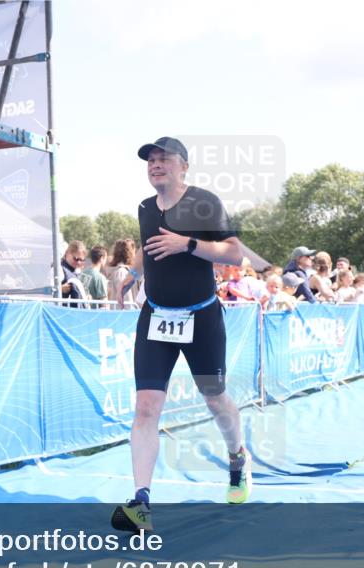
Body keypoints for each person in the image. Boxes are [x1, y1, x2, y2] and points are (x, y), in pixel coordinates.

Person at [111, 136, 248, 533]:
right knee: (146, 407)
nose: (155, 165)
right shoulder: (143, 207)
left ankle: (238, 459)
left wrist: (186, 243)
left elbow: (234, 253)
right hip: (156, 317)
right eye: (150, 160)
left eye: (164, 159)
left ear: (183, 166)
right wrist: (134, 275)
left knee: (215, 399)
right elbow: (147, 245)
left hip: (202, 318)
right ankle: (141, 502)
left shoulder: (204, 202)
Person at [59, 240, 89, 306]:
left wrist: (86, 297)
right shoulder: (59, 269)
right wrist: (60, 289)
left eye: (82, 260)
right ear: (67, 253)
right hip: (62, 312)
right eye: (76, 258)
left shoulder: (78, 272)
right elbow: (47, 290)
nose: (79, 262)